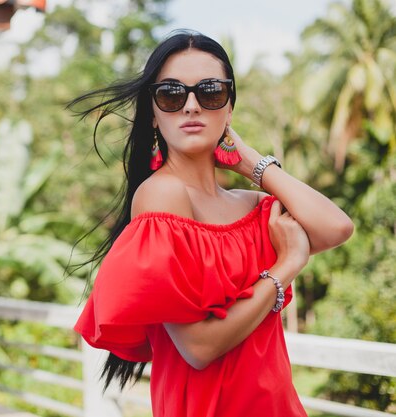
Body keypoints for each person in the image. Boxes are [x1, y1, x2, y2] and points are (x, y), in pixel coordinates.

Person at [69, 30, 354, 417]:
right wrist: (284, 268)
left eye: (210, 92)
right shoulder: (161, 196)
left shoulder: (249, 206)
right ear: (153, 114)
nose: (190, 106)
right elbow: (198, 348)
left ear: (229, 109)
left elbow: (336, 227)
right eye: (171, 94)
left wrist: (250, 162)